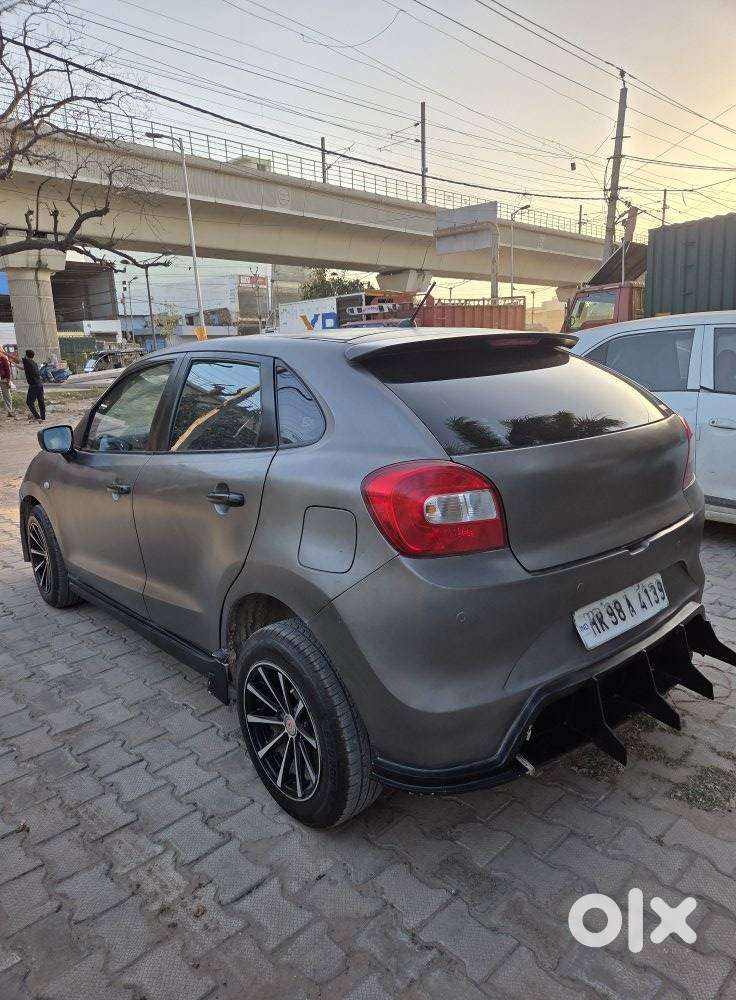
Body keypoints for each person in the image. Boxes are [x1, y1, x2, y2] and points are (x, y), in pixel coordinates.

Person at [21, 349, 46, 422]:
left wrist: (4, 353)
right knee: (41, 401)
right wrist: (11, 362)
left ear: (27, 355)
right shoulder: (33, 363)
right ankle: (43, 417)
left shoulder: (27, 361)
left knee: (29, 402)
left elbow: (15, 358)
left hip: (33, 385)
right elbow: (22, 368)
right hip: (39, 385)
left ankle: (37, 417)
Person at [0, 347, 17, 419]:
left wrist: (8, 380)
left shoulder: (3, 359)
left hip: (3, 379)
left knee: (7, 395)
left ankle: (9, 411)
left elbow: (7, 369)